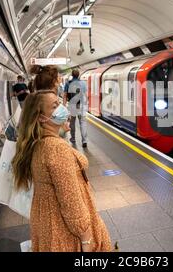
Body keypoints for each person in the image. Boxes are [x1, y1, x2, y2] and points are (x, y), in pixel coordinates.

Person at [12, 91, 112, 252]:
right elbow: (70, 199)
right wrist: (85, 237)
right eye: (55, 106)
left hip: (46, 221)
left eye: (59, 103)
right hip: (63, 231)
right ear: (42, 118)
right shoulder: (57, 149)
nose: (62, 108)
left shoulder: (39, 143)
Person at [30, 65, 70, 138]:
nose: (60, 80)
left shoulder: (38, 97)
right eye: (58, 78)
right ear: (54, 82)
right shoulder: (48, 99)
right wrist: (62, 129)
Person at [64, 69, 88, 148]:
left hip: (72, 105)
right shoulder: (83, 83)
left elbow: (64, 96)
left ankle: (73, 139)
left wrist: (64, 106)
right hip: (81, 105)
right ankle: (84, 140)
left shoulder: (68, 83)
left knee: (72, 123)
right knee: (83, 123)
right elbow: (85, 95)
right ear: (78, 75)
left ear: (72, 75)